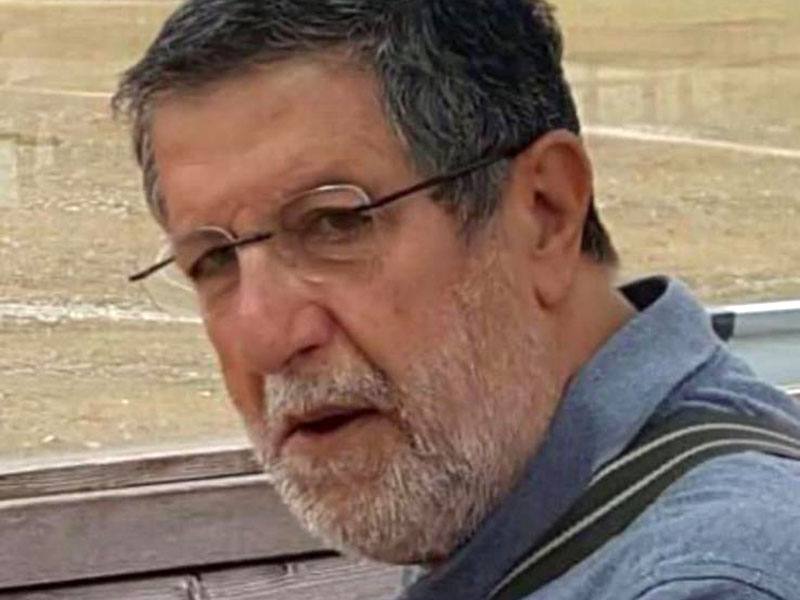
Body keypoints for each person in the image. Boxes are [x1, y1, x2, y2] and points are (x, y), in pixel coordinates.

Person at [113, 1, 800, 598]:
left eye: (334, 224)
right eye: (212, 261)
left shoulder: (710, 580)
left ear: (544, 212)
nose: (263, 337)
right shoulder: (500, 508)